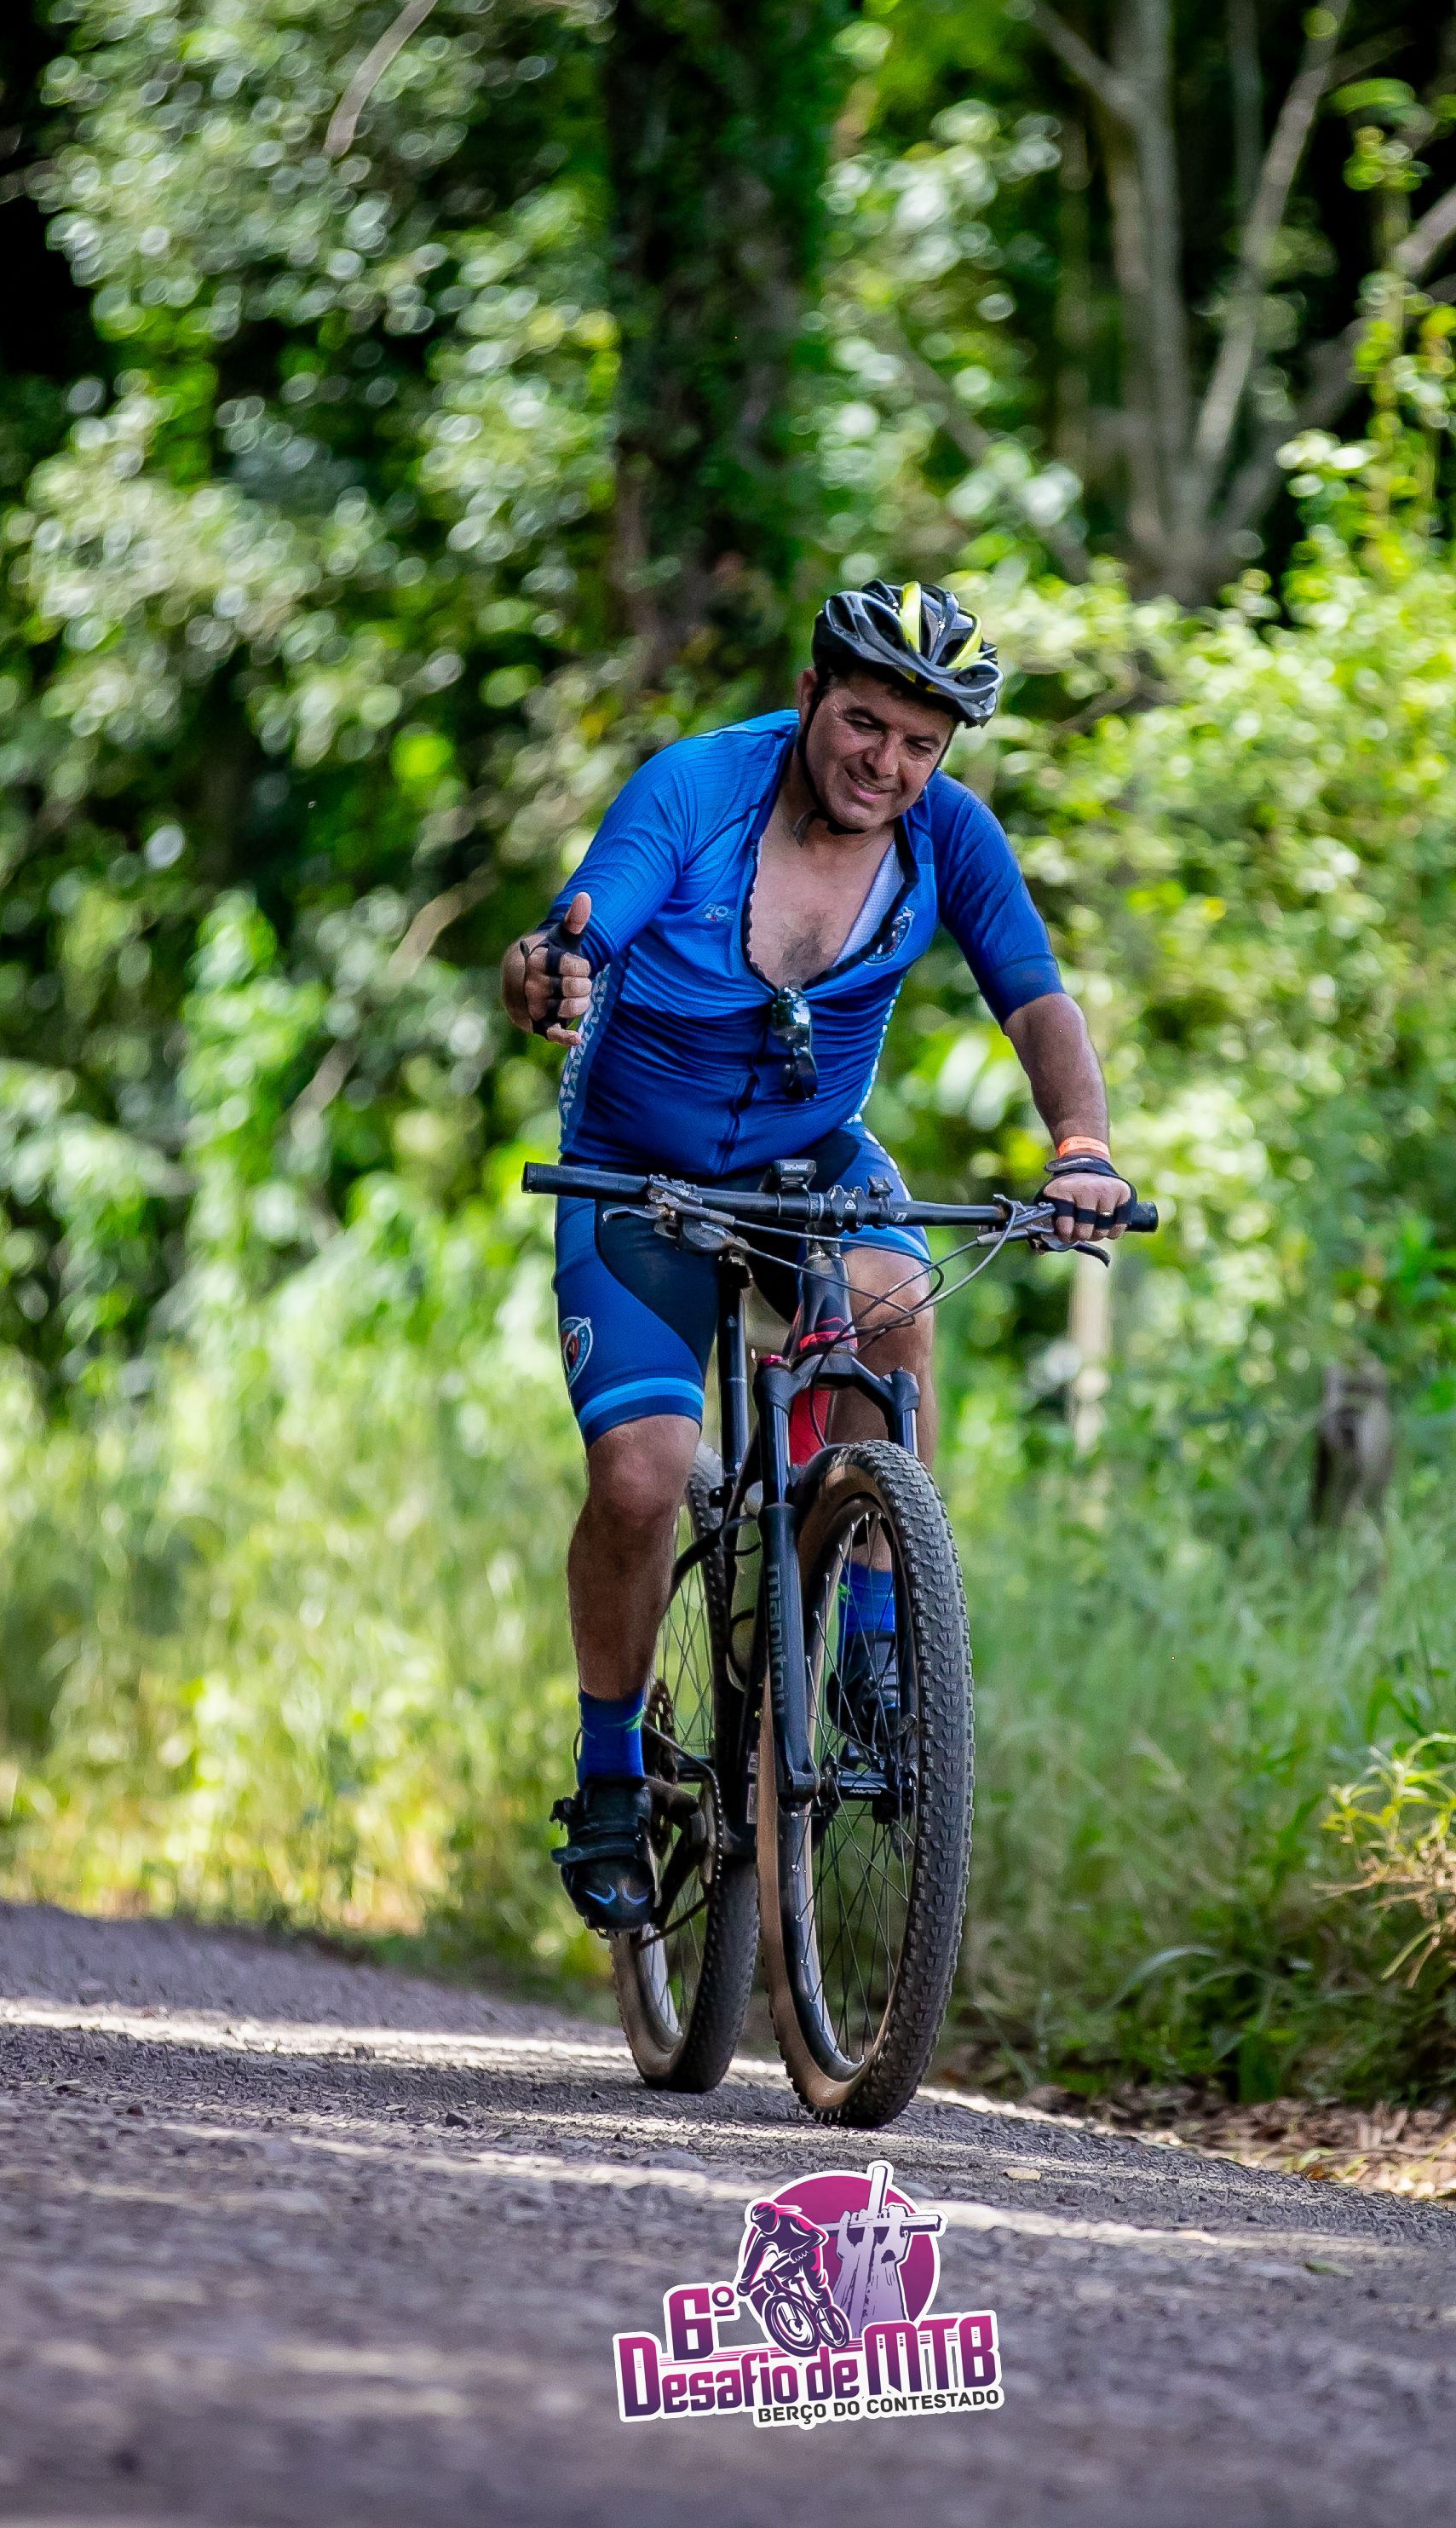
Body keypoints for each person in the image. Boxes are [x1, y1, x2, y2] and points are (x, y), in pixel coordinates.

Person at [498, 580, 1131, 1933]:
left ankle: (876, 1647)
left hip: (811, 1156)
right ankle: (609, 1776)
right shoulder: (697, 791)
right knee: (642, 1472)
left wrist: (1081, 1145)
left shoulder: (948, 835)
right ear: (807, 698)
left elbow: (1035, 996)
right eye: (863, 726)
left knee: (898, 1306)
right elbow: (575, 931)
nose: (885, 764)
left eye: (920, 745)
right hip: (634, 1165)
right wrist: (548, 971)